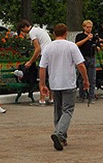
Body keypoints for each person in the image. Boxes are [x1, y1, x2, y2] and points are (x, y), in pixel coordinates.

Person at [39, 22, 89, 152]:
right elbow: (81, 65)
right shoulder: (71, 46)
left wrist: (42, 84)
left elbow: (42, 67)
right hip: (68, 82)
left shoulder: (48, 48)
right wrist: (86, 80)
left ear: (54, 33)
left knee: (58, 110)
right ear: (66, 33)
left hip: (55, 83)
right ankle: (59, 133)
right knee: (68, 110)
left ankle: (61, 137)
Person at [18, 19, 53, 104]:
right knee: (51, 77)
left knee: (42, 77)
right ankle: (52, 99)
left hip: (44, 55)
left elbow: (37, 49)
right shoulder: (38, 29)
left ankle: (42, 100)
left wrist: (30, 62)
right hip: (51, 53)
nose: (23, 33)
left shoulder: (32, 32)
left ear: (25, 27)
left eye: (22, 30)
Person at [74, 20, 98, 103]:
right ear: (84, 27)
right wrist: (86, 39)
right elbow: (76, 44)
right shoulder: (80, 36)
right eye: (87, 27)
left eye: (90, 27)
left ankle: (91, 96)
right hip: (82, 58)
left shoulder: (93, 36)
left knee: (92, 78)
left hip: (92, 57)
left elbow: (97, 45)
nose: (89, 29)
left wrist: (97, 47)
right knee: (81, 77)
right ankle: (82, 95)